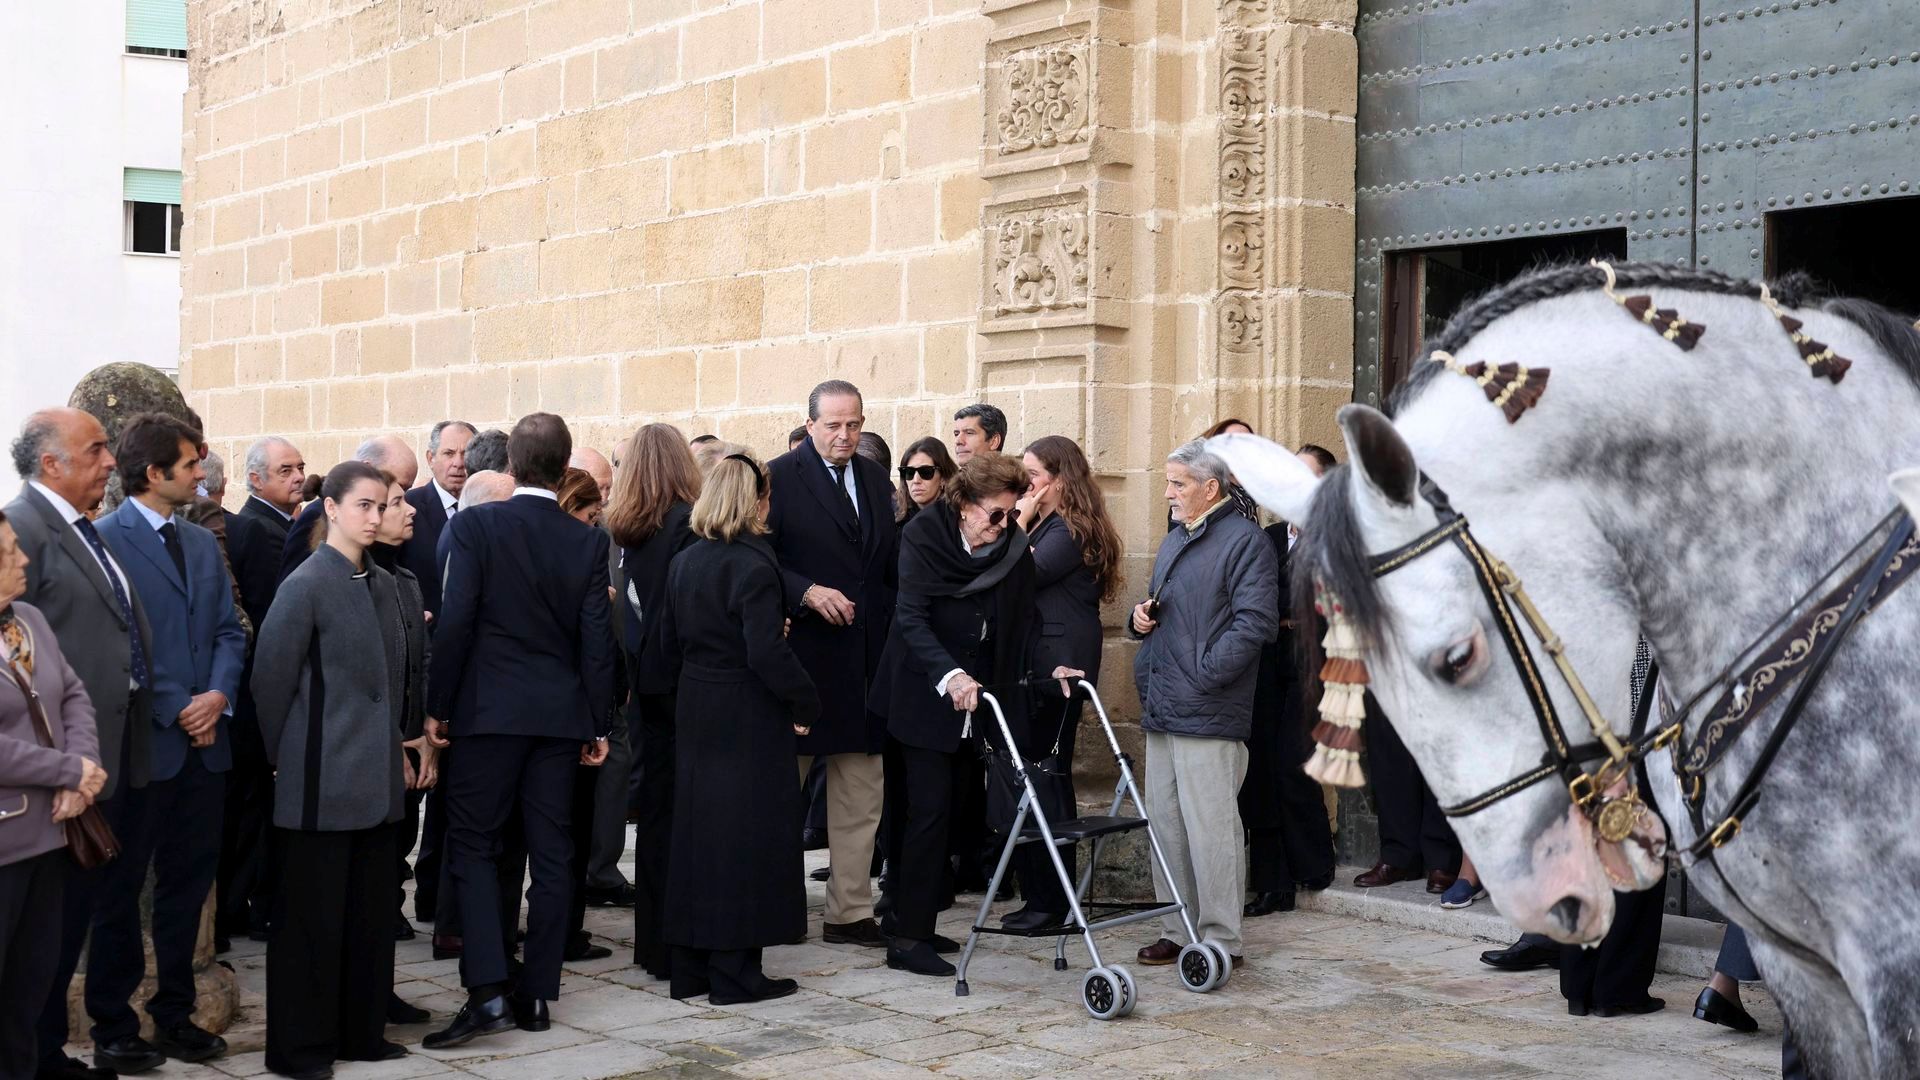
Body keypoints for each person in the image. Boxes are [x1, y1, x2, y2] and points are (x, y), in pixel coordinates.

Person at [423, 413, 613, 1049]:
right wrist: (598, 720)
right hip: (558, 716)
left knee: (474, 846)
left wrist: (437, 706)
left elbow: (456, 622)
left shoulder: (477, 524)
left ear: (509, 468)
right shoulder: (585, 540)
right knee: (553, 852)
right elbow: (596, 638)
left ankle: (487, 991)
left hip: (489, 714)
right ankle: (536, 994)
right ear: (563, 471)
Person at [250, 462, 425, 1078]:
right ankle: (301, 1049)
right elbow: (269, 684)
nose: (376, 517)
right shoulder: (306, 583)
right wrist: (287, 759)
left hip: (375, 780)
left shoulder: (380, 581)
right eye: (365, 506)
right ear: (332, 507)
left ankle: (360, 1033)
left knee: (368, 916)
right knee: (310, 926)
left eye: (383, 506)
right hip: (319, 780)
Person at [872, 453, 1074, 976]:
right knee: (924, 811)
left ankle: (913, 918)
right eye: (996, 515)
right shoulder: (923, 535)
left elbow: (1027, 623)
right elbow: (912, 618)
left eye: (1011, 515)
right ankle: (907, 937)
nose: (1005, 525)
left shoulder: (1010, 547)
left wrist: (1052, 667)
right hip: (921, 693)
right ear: (963, 505)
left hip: (978, 701)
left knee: (954, 814)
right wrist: (949, 675)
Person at [90, 413, 248, 1068]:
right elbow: (109, 643)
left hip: (206, 749)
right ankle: (111, 1025)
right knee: (120, 892)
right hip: (143, 749)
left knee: (189, 887)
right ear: (155, 473)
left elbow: (229, 632)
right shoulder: (103, 541)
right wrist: (176, 706)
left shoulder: (202, 541)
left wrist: (216, 695)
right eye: (189, 463)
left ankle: (175, 1014)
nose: (199, 471)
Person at [8, 409, 158, 1080]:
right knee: (42, 933)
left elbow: (69, 676)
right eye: (94, 448)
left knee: (74, 923)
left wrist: (88, 760)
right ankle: (33, 1056)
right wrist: (68, 767)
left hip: (99, 761)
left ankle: (46, 1053)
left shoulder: (80, 527)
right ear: (52, 465)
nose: (108, 460)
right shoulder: (25, 531)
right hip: (45, 791)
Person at [657, 451, 817, 1003]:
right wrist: (805, 701)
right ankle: (735, 974)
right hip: (745, 712)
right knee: (744, 840)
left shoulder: (687, 561)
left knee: (702, 837)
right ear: (758, 502)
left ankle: (694, 970)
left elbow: (667, 645)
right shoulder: (753, 563)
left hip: (699, 707)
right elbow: (765, 652)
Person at [1129, 438, 1277, 971]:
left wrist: (1207, 672)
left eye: (1178, 483)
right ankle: (1177, 927)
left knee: (1211, 828)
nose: (1167, 492)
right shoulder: (1176, 539)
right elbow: (1168, 611)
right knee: (1166, 825)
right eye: (1168, 482)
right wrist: (1138, 621)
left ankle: (1221, 939)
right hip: (1165, 702)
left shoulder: (1246, 542)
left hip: (1209, 706)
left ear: (1210, 488)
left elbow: (1254, 621)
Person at [765, 381, 898, 949]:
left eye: (854, 425)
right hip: (803, 660)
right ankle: (772, 906)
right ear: (810, 423)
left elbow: (882, 566)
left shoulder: (873, 479)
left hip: (864, 662)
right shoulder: (776, 477)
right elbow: (756, 555)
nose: (844, 437)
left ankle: (850, 911)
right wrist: (804, 591)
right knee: (779, 793)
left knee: (860, 795)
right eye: (833, 426)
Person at [0, 510, 106, 1080]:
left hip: (50, 834)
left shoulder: (30, 619)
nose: (23, 560)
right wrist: (66, 770)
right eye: (8, 554)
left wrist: (82, 769)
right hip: (4, 843)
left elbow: (73, 695)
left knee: (29, 989)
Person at [1001, 435, 1123, 930]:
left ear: (1059, 479)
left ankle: (1051, 903)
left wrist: (1019, 522)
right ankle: (1044, 896)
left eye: (1031, 474)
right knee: (1035, 778)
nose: (1023, 484)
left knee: (1046, 780)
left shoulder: (1067, 529)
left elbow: (1020, 574)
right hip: (1041, 662)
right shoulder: (1054, 525)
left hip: (1059, 666)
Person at [605, 423, 701, 979]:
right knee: (682, 812)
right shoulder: (685, 525)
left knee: (657, 815)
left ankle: (654, 945)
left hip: (644, 682)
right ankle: (678, 942)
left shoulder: (626, 527)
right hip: (682, 681)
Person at [218, 435, 308, 950]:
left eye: (300, 468)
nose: (297, 476)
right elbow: (271, 614)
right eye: (284, 469)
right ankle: (246, 905)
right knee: (252, 808)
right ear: (255, 479)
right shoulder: (259, 529)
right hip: (257, 697)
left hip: (257, 699)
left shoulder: (277, 524)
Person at [1242, 442, 1337, 917]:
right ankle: (1272, 883)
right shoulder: (1271, 536)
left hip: (1316, 660)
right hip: (1267, 659)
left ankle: (1313, 864)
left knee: (1293, 763)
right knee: (1260, 766)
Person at [401, 420, 471, 928]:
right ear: (430, 458)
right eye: (448, 452)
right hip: (419, 672)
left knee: (451, 800)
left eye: (465, 452)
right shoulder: (412, 511)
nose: (458, 462)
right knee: (412, 795)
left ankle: (437, 895)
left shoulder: (487, 509)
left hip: (466, 675)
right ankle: (406, 898)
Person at [553, 468, 619, 964]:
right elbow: (594, 645)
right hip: (572, 711)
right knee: (567, 833)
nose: (593, 526)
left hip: (549, 709)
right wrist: (601, 721)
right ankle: (564, 932)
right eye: (589, 515)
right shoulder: (582, 552)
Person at [570, 447, 632, 909]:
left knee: (615, 772)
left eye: (609, 488)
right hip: (569, 686)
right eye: (597, 490)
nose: (604, 499)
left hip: (611, 679)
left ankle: (602, 872)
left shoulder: (608, 533)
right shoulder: (565, 538)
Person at [278, 436, 418, 584]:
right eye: (396, 484)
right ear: (368, 469)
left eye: (406, 490)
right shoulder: (316, 516)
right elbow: (294, 587)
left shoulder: (388, 576)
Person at [894, 437, 956, 526]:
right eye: (909, 472)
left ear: (943, 478)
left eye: (926, 472)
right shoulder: (896, 520)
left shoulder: (957, 520)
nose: (916, 480)